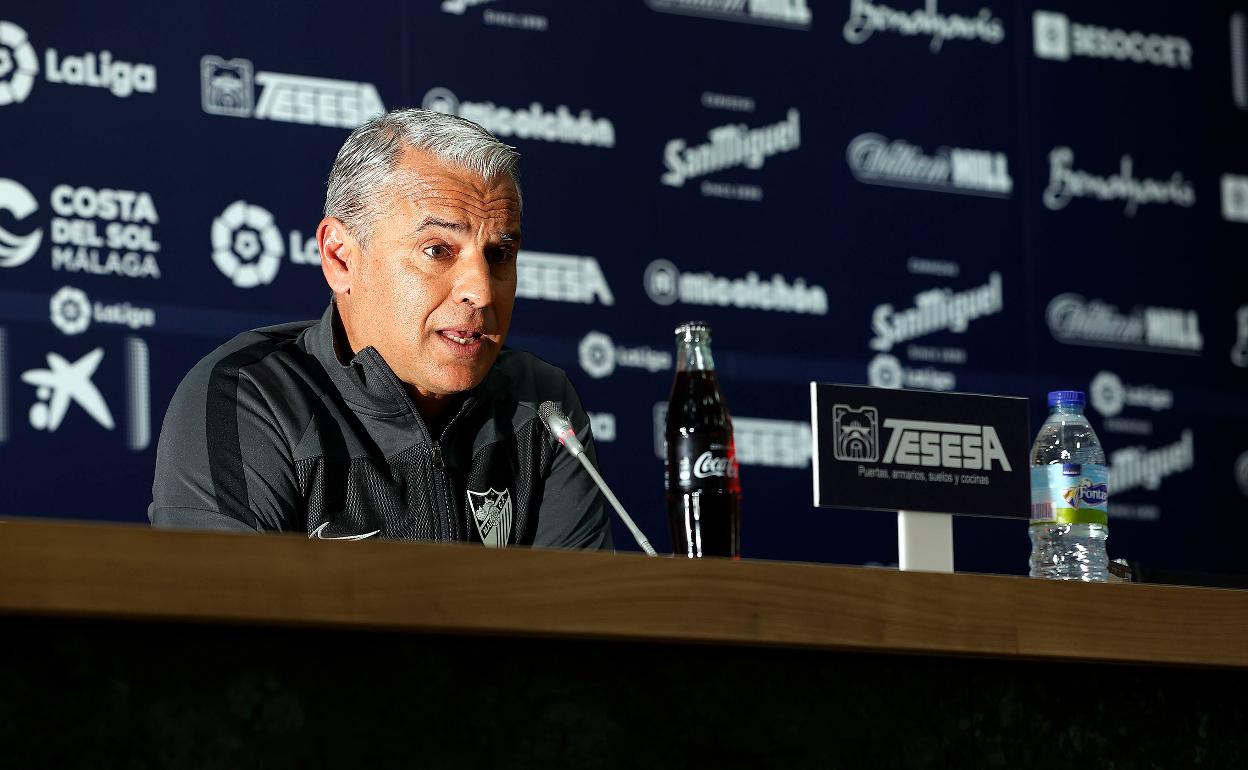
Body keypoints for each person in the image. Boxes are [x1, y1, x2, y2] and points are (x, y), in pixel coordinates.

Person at [149, 108, 612, 549]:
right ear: (340, 257)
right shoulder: (250, 397)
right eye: (437, 250)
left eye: (499, 254)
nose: (483, 292)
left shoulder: (541, 406)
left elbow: (581, 624)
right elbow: (227, 621)